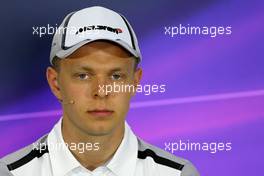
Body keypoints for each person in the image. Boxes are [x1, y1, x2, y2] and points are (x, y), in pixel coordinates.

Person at [0, 6, 199, 176]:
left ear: (135, 82)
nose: (101, 92)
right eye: (83, 76)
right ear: (55, 83)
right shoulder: (11, 173)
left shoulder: (176, 174)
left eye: (116, 76)